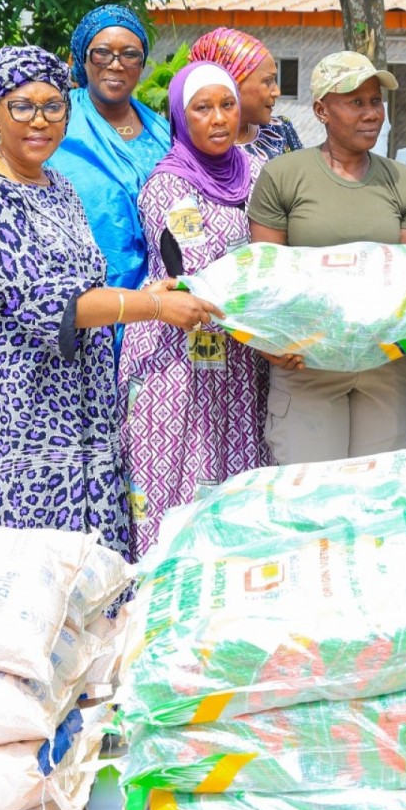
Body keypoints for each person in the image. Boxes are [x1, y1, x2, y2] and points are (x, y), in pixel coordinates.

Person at [0, 46, 220, 556]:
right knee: (22, 565)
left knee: (83, 562)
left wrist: (148, 292)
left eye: (53, 106)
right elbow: (48, 301)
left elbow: (82, 284)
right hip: (9, 413)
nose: (39, 121)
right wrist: (152, 309)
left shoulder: (58, 186)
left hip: (74, 403)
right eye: (22, 107)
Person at [247, 51, 406, 464]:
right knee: (311, 496)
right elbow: (265, 275)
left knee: (375, 498)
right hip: (307, 368)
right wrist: (269, 343)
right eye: (355, 102)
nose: (371, 114)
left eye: (375, 102)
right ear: (321, 110)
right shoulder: (284, 175)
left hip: (385, 363)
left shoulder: (404, 181)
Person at [122, 63, 272, 556]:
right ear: (181, 118)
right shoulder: (168, 185)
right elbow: (196, 266)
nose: (218, 119)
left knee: (234, 475)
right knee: (175, 474)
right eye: (201, 108)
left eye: (227, 105)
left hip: (241, 354)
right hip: (179, 355)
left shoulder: (258, 175)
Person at [47, 4, 171, 293]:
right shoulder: (56, 122)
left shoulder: (164, 132)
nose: (116, 64)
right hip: (81, 297)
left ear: (141, 64)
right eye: (102, 53)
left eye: (130, 55)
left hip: (158, 304)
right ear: (83, 58)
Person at [188, 26, 303, 162]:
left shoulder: (281, 131)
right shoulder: (196, 150)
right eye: (268, 81)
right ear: (233, 82)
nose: (277, 92)